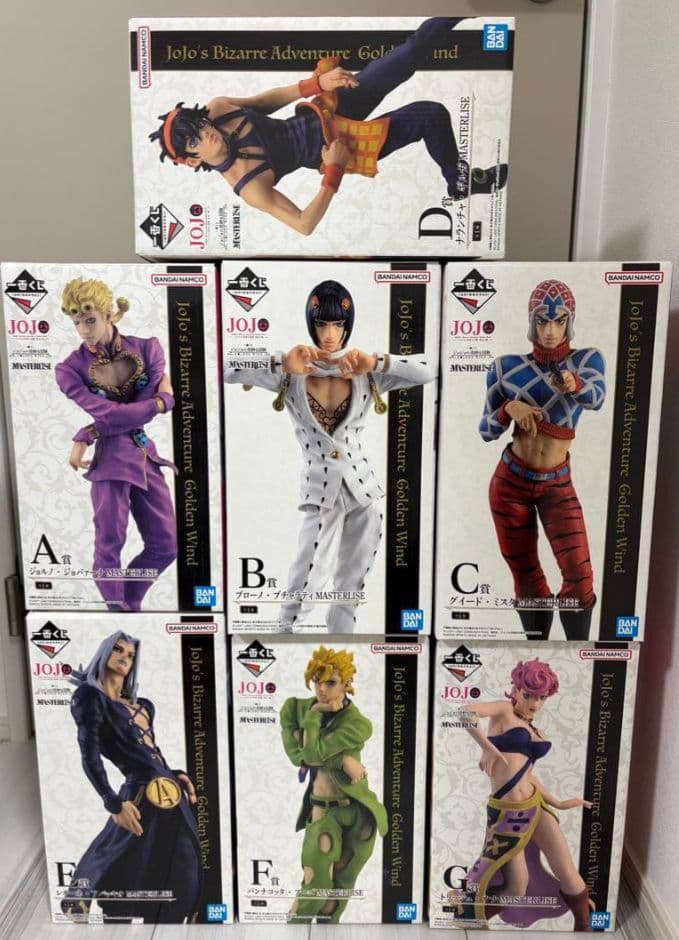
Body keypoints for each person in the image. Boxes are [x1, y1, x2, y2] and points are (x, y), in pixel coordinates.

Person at [150, 17, 508, 236]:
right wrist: (333, 170)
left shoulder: (218, 110)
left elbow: (265, 101)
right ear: (193, 159)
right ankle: (460, 182)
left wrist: (316, 84)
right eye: (195, 139)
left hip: (327, 107)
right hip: (339, 146)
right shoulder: (248, 185)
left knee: (406, 55)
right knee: (431, 115)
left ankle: (464, 8)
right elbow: (303, 224)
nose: (205, 132)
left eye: (199, 124)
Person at [225, 278, 436, 631]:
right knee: (306, 579)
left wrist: (377, 361)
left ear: (347, 326)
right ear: (311, 324)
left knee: (351, 586)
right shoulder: (291, 373)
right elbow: (225, 366)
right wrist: (280, 361)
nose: (329, 334)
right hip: (321, 492)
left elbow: (428, 371)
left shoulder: (365, 373)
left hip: (363, 491)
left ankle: (343, 643)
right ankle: (284, 641)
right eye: (322, 324)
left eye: (337, 325)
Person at [479, 279, 606, 640]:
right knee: (526, 577)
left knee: (579, 577)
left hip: (557, 485)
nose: (550, 331)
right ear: (531, 321)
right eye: (542, 320)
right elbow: (486, 430)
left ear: (570, 322)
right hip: (509, 484)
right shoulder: (504, 367)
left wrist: (574, 383)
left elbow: (597, 398)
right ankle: (534, 652)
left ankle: (577, 657)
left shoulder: (587, 360)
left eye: (559, 321)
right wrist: (508, 408)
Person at [60, 631, 202, 924]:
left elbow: (149, 754)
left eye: (131, 654)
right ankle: (80, 898)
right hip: (138, 791)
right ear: (104, 652)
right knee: (116, 850)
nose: (125, 657)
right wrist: (112, 802)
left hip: (170, 792)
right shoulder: (90, 697)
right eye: (118, 650)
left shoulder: (144, 705)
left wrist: (175, 774)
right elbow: (90, 756)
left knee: (182, 864)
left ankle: (170, 920)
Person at [55, 277, 178, 611]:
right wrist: (160, 402)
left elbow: (122, 416)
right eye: (76, 322)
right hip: (110, 463)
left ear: (109, 314)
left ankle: (128, 605)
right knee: (109, 546)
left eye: (90, 320)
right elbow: (113, 413)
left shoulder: (148, 349)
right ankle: (118, 611)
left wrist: (88, 432)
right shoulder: (69, 369)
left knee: (166, 545)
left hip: (145, 457)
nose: (83, 330)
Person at [453, 658, 593, 931]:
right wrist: (487, 747)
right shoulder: (503, 710)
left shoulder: (533, 728)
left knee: (569, 874)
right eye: (528, 694)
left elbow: (526, 775)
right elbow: (464, 712)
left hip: (535, 805)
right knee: (516, 886)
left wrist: (559, 803)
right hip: (508, 816)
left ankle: (584, 928)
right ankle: (469, 918)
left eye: (541, 697)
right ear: (516, 690)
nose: (534, 703)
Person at [280, 645, 387, 924]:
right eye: (317, 681)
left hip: (359, 813)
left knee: (337, 893)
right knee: (315, 886)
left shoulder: (359, 723)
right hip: (322, 810)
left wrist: (324, 749)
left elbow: (313, 754)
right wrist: (316, 714)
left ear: (347, 684)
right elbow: (302, 757)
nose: (321, 689)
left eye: (330, 682)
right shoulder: (295, 709)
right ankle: (294, 928)